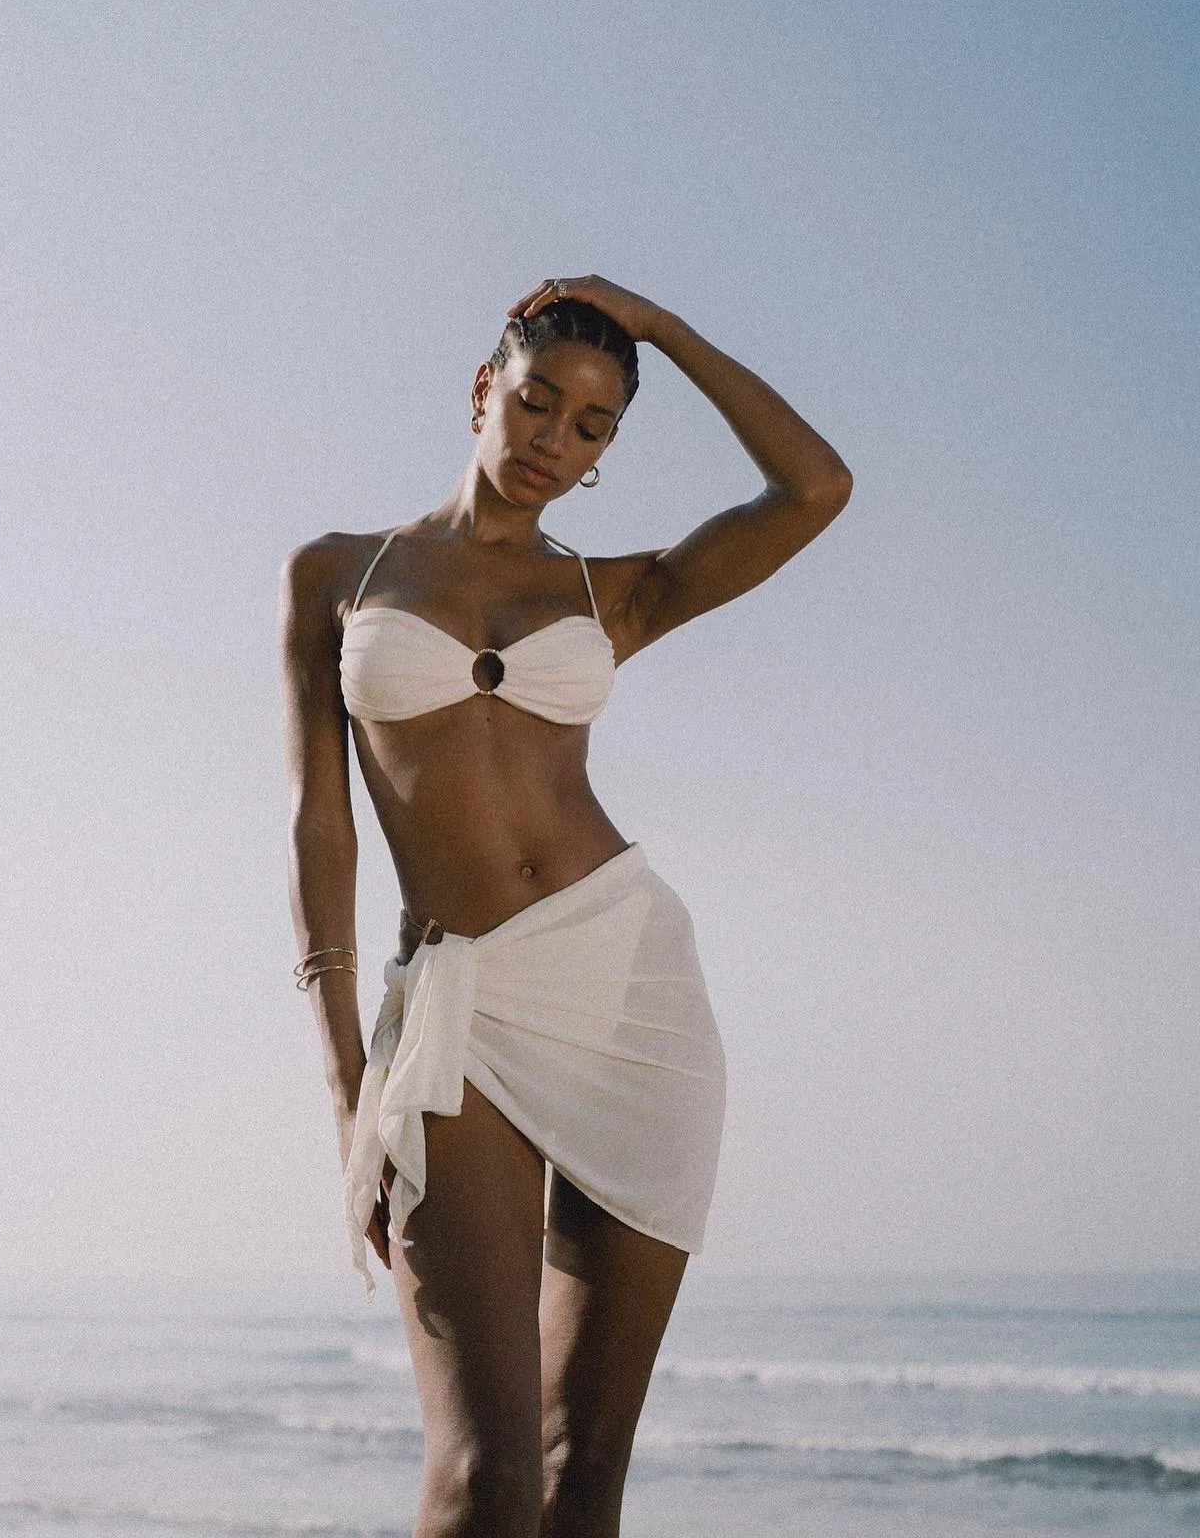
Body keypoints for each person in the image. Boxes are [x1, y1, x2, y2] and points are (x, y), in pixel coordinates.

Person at [280, 275, 851, 1538]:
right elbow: (323, 838)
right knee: (486, 1480)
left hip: (627, 987)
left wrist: (669, 330)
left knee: (580, 1476)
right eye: (538, 404)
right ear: (484, 392)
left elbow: (815, 490)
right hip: (460, 1008)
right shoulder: (334, 575)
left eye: (593, 427)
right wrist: (344, 1084)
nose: (556, 441)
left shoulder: (607, 595)